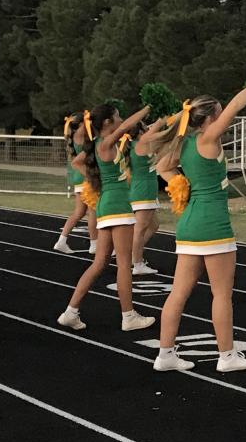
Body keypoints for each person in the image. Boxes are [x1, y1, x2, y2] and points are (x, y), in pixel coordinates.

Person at [145, 82, 246, 371]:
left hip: (189, 224)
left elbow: (163, 168)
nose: (223, 116)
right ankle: (227, 357)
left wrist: (181, 185)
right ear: (210, 118)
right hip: (212, 225)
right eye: (219, 112)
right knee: (221, 295)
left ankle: (165, 354)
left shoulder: (183, 144)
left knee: (178, 292)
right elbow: (236, 105)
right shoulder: (208, 138)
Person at [56, 102, 157, 334]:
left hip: (106, 204)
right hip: (117, 206)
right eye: (118, 116)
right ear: (108, 122)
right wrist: (146, 108)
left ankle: (70, 312)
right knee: (123, 263)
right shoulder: (106, 142)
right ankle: (128, 316)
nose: (121, 120)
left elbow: (76, 162)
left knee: (100, 263)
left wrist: (97, 180)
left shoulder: (97, 145)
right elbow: (126, 126)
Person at [127, 115, 171, 275]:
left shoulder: (141, 144)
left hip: (146, 190)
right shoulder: (141, 144)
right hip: (143, 191)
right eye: (144, 126)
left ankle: (132, 254)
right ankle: (137, 263)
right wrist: (168, 119)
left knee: (153, 225)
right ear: (139, 132)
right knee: (140, 229)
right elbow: (159, 126)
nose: (147, 127)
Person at [54, 114, 99, 255]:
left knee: (79, 212)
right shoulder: (80, 136)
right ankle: (94, 243)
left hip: (79, 177)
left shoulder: (75, 136)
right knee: (92, 212)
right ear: (80, 125)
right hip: (85, 177)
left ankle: (61, 241)